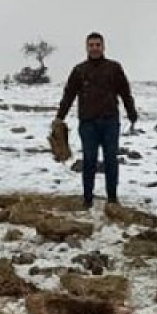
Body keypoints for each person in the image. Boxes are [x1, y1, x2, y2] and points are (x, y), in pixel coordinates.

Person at [55, 32, 138, 208]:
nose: (94, 48)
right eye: (91, 45)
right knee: (89, 160)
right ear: (86, 47)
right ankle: (87, 199)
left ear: (103, 47)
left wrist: (132, 113)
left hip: (110, 122)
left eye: (97, 45)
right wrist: (59, 117)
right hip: (88, 123)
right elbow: (69, 94)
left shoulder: (114, 68)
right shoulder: (79, 70)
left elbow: (125, 92)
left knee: (110, 160)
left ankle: (112, 199)